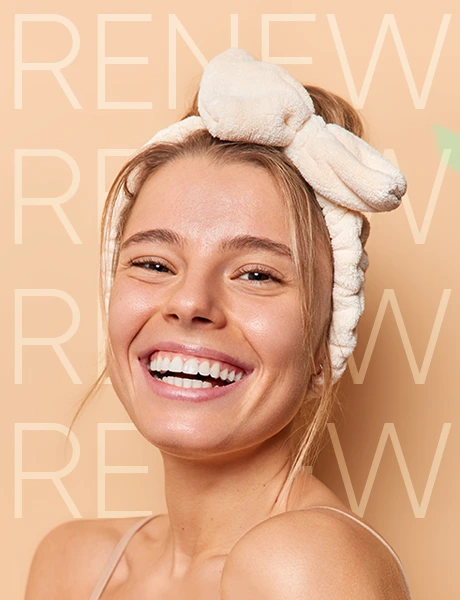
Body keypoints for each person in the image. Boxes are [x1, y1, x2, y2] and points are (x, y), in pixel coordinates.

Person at [25, 49, 411, 599]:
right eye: (154, 264)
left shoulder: (302, 566)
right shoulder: (74, 564)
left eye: (256, 274)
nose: (190, 302)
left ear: (324, 348)